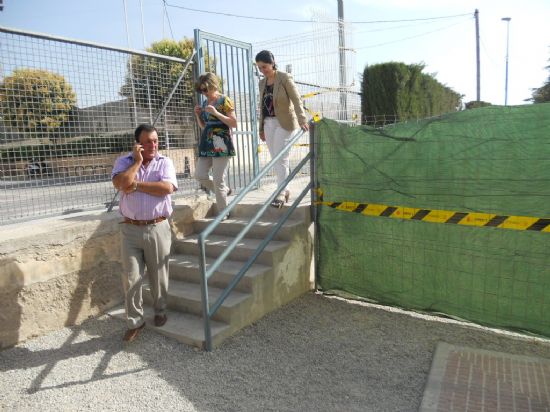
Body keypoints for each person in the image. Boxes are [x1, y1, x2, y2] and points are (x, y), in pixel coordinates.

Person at [111, 124, 178, 342]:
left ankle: (160, 310)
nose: (153, 145)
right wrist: (138, 163)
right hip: (130, 229)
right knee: (131, 277)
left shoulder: (164, 162)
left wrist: (136, 185)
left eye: (156, 140)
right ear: (138, 144)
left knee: (159, 274)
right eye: (148, 141)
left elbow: (166, 189)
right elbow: (120, 183)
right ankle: (134, 321)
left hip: (157, 226)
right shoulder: (124, 162)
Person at [255, 50, 309, 208]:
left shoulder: (284, 78)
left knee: (281, 158)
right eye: (259, 68)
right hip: (268, 123)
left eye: (264, 66)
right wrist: (261, 128)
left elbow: (297, 99)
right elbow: (262, 107)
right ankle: (284, 189)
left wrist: (302, 119)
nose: (262, 71)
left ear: (272, 63)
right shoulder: (262, 83)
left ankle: (281, 191)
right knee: (276, 160)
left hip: (284, 122)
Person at [193, 72, 237, 218]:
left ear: (213, 85)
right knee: (200, 175)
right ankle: (225, 190)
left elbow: (234, 123)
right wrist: (198, 115)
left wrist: (217, 113)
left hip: (221, 143)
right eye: (201, 90)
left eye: (205, 89)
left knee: (219, 180)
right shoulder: (205, 103)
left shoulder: (225, 100)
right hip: (207, 142)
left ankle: (223, 212)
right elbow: (204, 126)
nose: (204, 93)